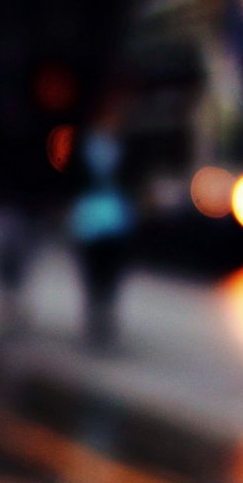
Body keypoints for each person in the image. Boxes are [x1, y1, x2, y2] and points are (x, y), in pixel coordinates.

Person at [68, 124, 136, 347]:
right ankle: (95, 317)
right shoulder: (82, 143)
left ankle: (104, 316)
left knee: (110, 271)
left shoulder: (127, 143)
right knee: (92, 270)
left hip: (116, 218)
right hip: (89, 218)